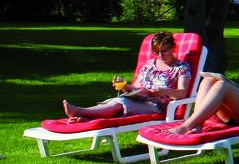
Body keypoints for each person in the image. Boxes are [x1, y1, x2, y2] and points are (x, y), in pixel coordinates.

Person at [63, 31, 191, 120]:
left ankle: (80, 112)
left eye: (164, 51)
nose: (160, 56)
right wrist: (125, 87)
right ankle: (85, 117)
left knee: (120, 103)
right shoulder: (149, 65)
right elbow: (136, 87)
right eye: (156, 52)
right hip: (139, 99)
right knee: (118, 101)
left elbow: (182, 93)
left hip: (156, 106)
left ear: (173, 48)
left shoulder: (181, 68)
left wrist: (164, 91)